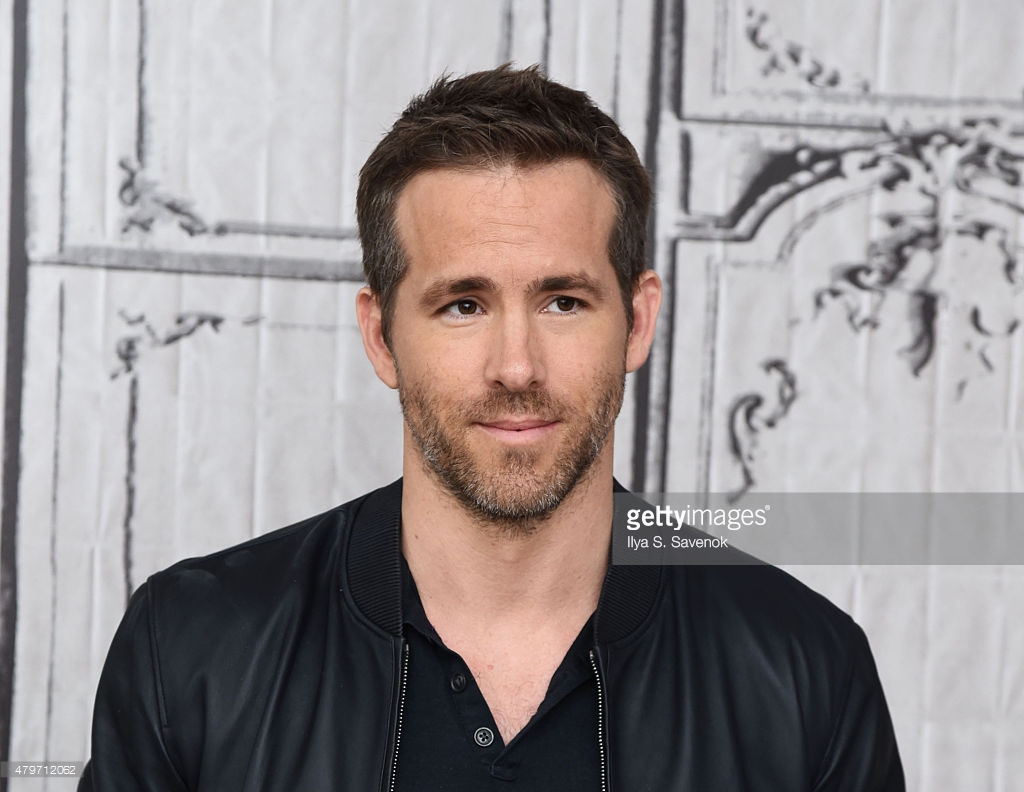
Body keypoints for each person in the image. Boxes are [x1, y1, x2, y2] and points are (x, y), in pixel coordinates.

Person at [79, 65, 904, 790]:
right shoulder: (189, 651)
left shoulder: (806, 671)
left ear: (639, 322)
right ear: (381, 336)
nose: (516, 366)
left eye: (563, 302)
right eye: (463, 305)